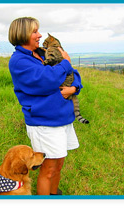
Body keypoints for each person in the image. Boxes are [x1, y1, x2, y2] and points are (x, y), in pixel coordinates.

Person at [8, 17, 83, 195]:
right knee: (48, 170)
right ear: (22, 34)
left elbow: (73, 72)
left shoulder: (41, 53)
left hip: (63, 117)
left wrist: (74, 86)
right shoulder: (19, 61)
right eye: (34, 32)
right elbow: (46, 80)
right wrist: (65, 62)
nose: (39, 35)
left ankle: (54, 195)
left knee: (58, 166)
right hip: (44, 123)